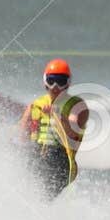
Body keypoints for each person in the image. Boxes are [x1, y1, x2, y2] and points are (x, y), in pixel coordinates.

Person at [19, 58, 87, 197]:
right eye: (51, 80)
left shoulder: (77, 106)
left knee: (46, 194)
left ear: (67, 83)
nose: (55, 86)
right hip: (35, 156)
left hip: (61, 160)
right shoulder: (35, 105)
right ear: (45, 81)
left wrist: (57, 115)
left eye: (60, 81)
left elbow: (73, 132)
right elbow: (21, 135)